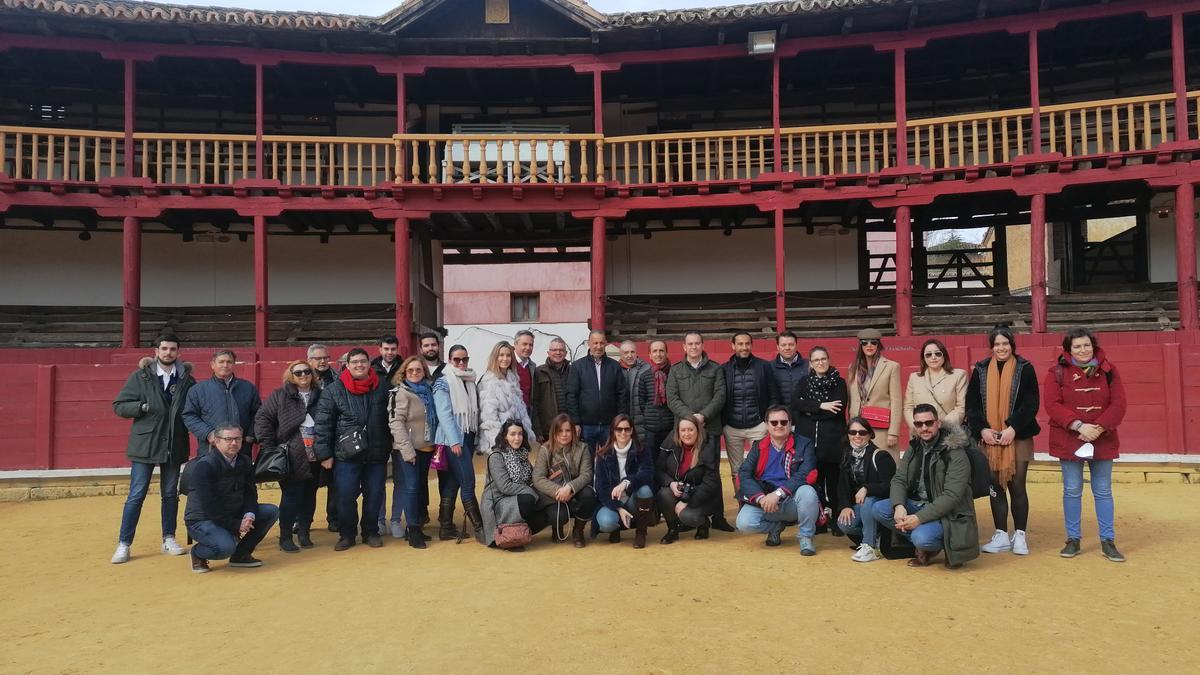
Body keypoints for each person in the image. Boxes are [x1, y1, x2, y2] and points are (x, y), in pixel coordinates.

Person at [1043, 328, 1128, 562]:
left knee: (1102, 491)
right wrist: (1079, 425)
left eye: (1086, 345)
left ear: (1094, 346)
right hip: (1071, 437)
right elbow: (1052, 404)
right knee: (1072, 490)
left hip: (1102, 436)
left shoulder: (1109, 370)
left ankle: (1107, 540)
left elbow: (1119, 403)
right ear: (1069, 350)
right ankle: (1073, 539)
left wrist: (1098, 428)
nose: (1083, 350)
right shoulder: (1057, 372)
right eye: (1077, 346)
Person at [110, 334, 196, 564]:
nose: (168, 353)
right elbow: (119, 406)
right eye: (164, 348)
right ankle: (124, 543)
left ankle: (168, 538)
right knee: (136, 494)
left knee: (170, 494)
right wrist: (142, 406)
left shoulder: (187, 380)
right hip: (145, 443)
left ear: (178, 352)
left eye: (173, 349)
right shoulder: (140, 377)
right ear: (156, 351)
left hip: (174, 442)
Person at [870, 405, 979, 568]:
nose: (924, 428)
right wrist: (899, 506)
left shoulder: (955, 452)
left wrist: (919, 519)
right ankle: (923, 541)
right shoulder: (914, 447)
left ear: (938, 423)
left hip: (947, 513)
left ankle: (940, 545)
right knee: (879, 508)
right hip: (917, 503)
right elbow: (899, 479)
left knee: (921, 538)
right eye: (919, 424)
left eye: (929, 423)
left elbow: (951, 496)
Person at [966, 325, 1040, 556]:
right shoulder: (980, 370)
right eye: (997, 344)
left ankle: (1019, 535)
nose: (1001, 348)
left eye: (1005, 343)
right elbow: (973, 405)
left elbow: (1031, 403)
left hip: (1017, 436)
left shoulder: (1025, 368)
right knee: (995, 486)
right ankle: (1000, 534)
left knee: (1017, 485)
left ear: (1012, 345)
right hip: (989, 438)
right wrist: (983, 430)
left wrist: (1013, 428)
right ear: (991, 347)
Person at [314, 347, 392, 551]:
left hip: (376, 452)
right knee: (346, 495)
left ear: (369, 364)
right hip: (346, 454)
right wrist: (324, 454)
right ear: (347, 366)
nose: (359, 365)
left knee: (375, 494)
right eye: (355, 362)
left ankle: (370, 531)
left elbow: (392, 419)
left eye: (363, 361)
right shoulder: (334, 390)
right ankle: (347, 534)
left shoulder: (382, 387)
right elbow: (323, 424)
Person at [184, 424, 280, 573]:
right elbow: (210, 506)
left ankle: (241, 555)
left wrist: (249, 514)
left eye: (237, 439)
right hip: (202, 519)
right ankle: (198, 553)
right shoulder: (204, 466)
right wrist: (236, 525)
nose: (234, 443)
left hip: (233, 512)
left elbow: (250, 493)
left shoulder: (245, 462)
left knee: (271, 511)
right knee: (225, 548)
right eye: (228, 439)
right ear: (216, 441)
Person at [666, 330, 733, 531]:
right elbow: (672, 398)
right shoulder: (676, 370)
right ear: (684, 347)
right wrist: (690, 419)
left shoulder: (715, 369)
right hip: (684, 432)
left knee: (711, 474)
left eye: (697, 343)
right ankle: (690, 514)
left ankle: (718, 516)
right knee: (686, 471)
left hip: (709, 428)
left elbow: (720, 396)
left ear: (702, 346)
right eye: (690, 344)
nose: (694, 347)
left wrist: (702, 416)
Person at [253, 360, 322, 553]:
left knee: (310, 495)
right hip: (291, 454)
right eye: (298, 372)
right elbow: (263, 419)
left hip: (315, 454)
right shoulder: (280, 396)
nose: (303, 375)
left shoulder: (321, 395)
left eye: (307, 372)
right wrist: (268, 446)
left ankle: (304, 532)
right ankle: (285, 536)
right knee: (291, 496)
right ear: (291, 375)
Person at [734, 405, 821, 555]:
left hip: (792, 499)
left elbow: (804, 474)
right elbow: (744, 474)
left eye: (783, 422)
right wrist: (761, 498)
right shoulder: (758, 446)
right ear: (767, 425)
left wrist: (779, 494)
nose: (779, 425)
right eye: (774, 422)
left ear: (790, 423)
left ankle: (806, 537)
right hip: (766, 500)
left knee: (808, 492)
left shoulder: (804, 444)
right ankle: (776, 527)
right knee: (744, 524)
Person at [790, 346, 848, 534]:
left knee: (834, 483)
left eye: (823, 358)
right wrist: (821, 406)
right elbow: (795, 403)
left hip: (832, 442)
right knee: (814, 483)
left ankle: (838, 521)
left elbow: (838, 410)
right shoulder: (804, 382)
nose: (820, 362)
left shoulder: (839, 382)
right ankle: (819, 520)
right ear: (811, 363)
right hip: (809, 443)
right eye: (816, 360)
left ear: (828, 360)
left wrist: (810, 412)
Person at [432, 344, 485, 543]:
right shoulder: (443, 382)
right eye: (457, 359)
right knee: (468, 481)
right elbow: (444, 414)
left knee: (453, 482)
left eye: (465, 359)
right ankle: (480, 528)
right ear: (449, 359)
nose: (461, 363)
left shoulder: (469, 380)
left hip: (467, 438)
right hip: (452, 440)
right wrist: (454, 441)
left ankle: (445, 527)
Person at [721, 331, 780, 494]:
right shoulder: (724, 369)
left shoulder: (764, 366)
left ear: (751, 345)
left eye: (747, 343)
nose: (744, 347)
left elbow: (773, 394)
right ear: (733, 346)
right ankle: (742, 503)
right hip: (732, 427)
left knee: (761, 467)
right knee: (737, 470)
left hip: (758, 425)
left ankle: (761, 502)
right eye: (740, 344)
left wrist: (767, 420)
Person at [388, 356, 438, 549]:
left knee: (419, 487)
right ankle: (413, 529)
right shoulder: (400, 393)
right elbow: (396, 423)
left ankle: (415, 526)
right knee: (411, 488)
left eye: (418, 370)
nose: (415, 373)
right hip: (409, 449)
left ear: (424, 371)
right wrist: (407, 450)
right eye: (411, 371)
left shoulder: (428, 390)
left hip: (426, 447)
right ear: (404, 373)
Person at [481, 420, 551, 551]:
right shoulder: (496, 456)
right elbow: (505, 487)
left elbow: (533, 479)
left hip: (517, 498)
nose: (517, 438)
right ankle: (505, 536)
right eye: (512, 434)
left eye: (520, 434)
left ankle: (517, 534)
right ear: (504, 436)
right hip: (498, 501)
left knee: (548, 513)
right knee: (528, 500)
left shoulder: (522, 454)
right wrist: (531, 493)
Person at [836, 417, 896, 563]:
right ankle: (876, 536)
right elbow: (842, 486)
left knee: (868, 501)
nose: (857, 436)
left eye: (862, 432)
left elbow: (891, 486)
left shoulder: (881, 456)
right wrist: (845, 506)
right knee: (844, 524)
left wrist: (867, 488)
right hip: (861, 506)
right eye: (853, 432)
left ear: (870, 434)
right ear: (848, 434)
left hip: (879, 505)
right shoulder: (847, 455)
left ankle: (870, 547)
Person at [532, 414, 597, 547]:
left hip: (575, 490)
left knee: (589, 495)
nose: (564, 434)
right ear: (554, 432)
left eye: (567, 430)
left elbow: (587, 474)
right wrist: (559, 491)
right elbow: (538, 478)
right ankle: (557, 528)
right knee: (559, 515)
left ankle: (578, 531)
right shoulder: (545, 449)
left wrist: (570, 488)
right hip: (554, 494)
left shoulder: (582, 448)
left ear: (573, 431)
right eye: (560, 431)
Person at [656, 415, 722, 544]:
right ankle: (672, 530)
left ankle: (703, 524)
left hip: (701, 495)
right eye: (683, 430)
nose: (687, 434)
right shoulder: (671, 444)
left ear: (698, 431)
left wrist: (687, 501)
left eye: (690, 430)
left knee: (688, 516)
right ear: (678, 432)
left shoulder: (707, 447)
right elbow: (658, 470)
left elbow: (711, 483)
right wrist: (671, 483)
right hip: (678, 489)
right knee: (663, 494)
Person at [182, 349, 261, 457]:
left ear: (234, 365)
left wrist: (250, 436)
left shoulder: (247, 387)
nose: (225, 365)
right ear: (212, 365)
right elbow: (189, 416)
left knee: (240, 474)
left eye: (229, 362)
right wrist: (208, 433)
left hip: (241, 449)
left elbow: (258, 414)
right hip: (210, 449)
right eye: (221, 362)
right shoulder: (198, 390)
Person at [593, 414, 656, 548]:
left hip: (633, 498)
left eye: (627, 429)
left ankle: (641, 533)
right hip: (612, 502)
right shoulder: (603, 454)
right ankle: (616, 529)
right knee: (606, 523)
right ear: (613, 431)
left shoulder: (642, 449)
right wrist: (619, 508)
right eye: (619, 429)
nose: (623, 433)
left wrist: (626, 482)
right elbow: (601, 488)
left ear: (632, 430)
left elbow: (647, 473)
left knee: (645, 490)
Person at [565, 330, 627, 455]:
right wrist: (576, 422)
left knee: (610, 460)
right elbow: (572, 395)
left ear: (605, 344)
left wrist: (619, 420)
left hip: (610, 425)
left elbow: (622, 394)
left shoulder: (614, 366)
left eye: (601, 343)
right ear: (589, 343)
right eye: (595, 343)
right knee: (587, 463)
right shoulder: (578, 366)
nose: (598, 346)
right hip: (586, 425)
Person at [847, 329, 902, 452]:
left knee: (882, 464)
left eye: (874, 342)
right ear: (860, 345)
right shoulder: (853, 367)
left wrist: (893, 432)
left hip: (880, 427)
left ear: (879, 345)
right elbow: (851, 399)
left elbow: (896, 401)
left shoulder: (891, 366)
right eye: (865, 343)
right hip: (858, 428)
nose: (869, 345)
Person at [478, 341, 536, 450]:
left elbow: (521, 411)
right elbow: (489, 419)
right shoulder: (489, 381)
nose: (505, 359)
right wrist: (501, 443)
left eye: (508, 355)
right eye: (501, 355)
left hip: (516, 441)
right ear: (495, 357)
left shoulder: (513, 379)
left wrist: (527, 433)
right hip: (502, 444)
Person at [307, 343, 338, 531]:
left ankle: (333, 519)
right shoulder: (301, 378)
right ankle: (303, 521)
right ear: (310, 360)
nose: (322, 361)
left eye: (325, 357)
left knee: (335, 483)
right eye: (318, 358)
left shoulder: (337, 378)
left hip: (332, 435)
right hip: (307, 439)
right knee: (307, 484)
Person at [904, 338, 967, 428]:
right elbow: (908, 407)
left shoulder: (959, 375)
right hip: (921, 433)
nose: (933, 357)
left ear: (944, 355)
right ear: (923, 358)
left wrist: (940, 426)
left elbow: (961, 407)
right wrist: (918, 426)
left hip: (948, 431)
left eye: (937, 354)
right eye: (928, 355)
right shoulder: (914, 378)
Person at [632, 340, 674, 461]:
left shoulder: (675, 372)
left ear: (666, 353)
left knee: (668, 461)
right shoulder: (645, 376)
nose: (658, 354)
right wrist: (649, 415)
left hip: (670, 427)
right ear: (650, 355)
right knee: (651, 460)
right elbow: (642, 401)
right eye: (654, 351)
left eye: (661, 350)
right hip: (651, 428)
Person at [533, 338, 571, 442]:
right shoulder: (539, 372)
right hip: (548, 429)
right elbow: (534, 403)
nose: (558, 352)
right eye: (554, 350)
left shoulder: (573, 371)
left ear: (566, 353)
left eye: (561, 350)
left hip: (568, 429)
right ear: (548, 353)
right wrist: (538, 430)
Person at [770, 331, 809, 411]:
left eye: (791, 344)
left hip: (804, 415)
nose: (787, 348)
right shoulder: (769, 367)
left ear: (796, 345)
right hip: (780, 418)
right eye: (783, 345)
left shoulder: (809, 365)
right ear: (778, 347)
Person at [619, 340, 650, 416]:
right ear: (621, 355)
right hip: (623, 420)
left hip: (642, 419)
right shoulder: (615, 370)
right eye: (626, 353)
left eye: (632, 352)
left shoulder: (647, 369)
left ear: (636, 353)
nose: (630, 355)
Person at [513, 329, 538, 420]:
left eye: (531, 345)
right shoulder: (507, 364)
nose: (528, 348)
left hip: (527, 415)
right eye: (524, 344)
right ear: (515, 344)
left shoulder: (532, 367)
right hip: (511, 416)